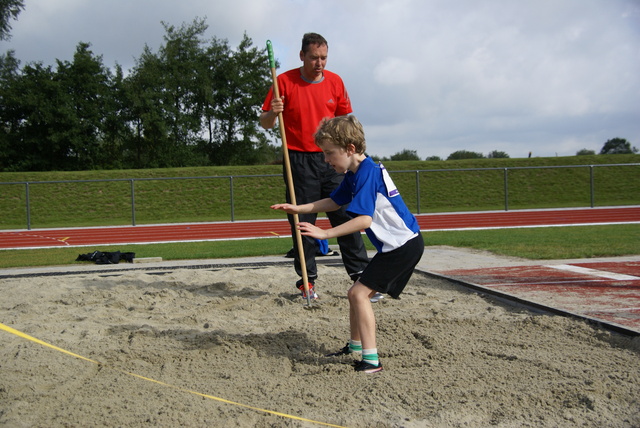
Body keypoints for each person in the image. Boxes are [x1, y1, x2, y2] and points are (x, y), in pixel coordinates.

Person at [271, 115, 424, 373]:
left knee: (357, 294)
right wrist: (299, 208)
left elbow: (364, 220)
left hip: (404, 247)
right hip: (398, 246)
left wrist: (325, 234)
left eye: (330, 153)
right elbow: (333, 201)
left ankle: (371, 360)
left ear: (350, 149)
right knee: (355, 292)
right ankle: (355, 347)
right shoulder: (355, 173)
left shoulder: (367, 173)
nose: (326, 160)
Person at [260, 32, 369, 300]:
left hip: (331, 159)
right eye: (314, 58)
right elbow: (265, 123)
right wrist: (274, 111)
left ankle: (361, 278)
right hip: (298, 159)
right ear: (302, 56)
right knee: (303, 222)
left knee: (346, 215)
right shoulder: (283, 81)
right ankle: (307, 281)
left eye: (323, 58)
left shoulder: (335, 82)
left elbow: (346, 122)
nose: (319, 63)